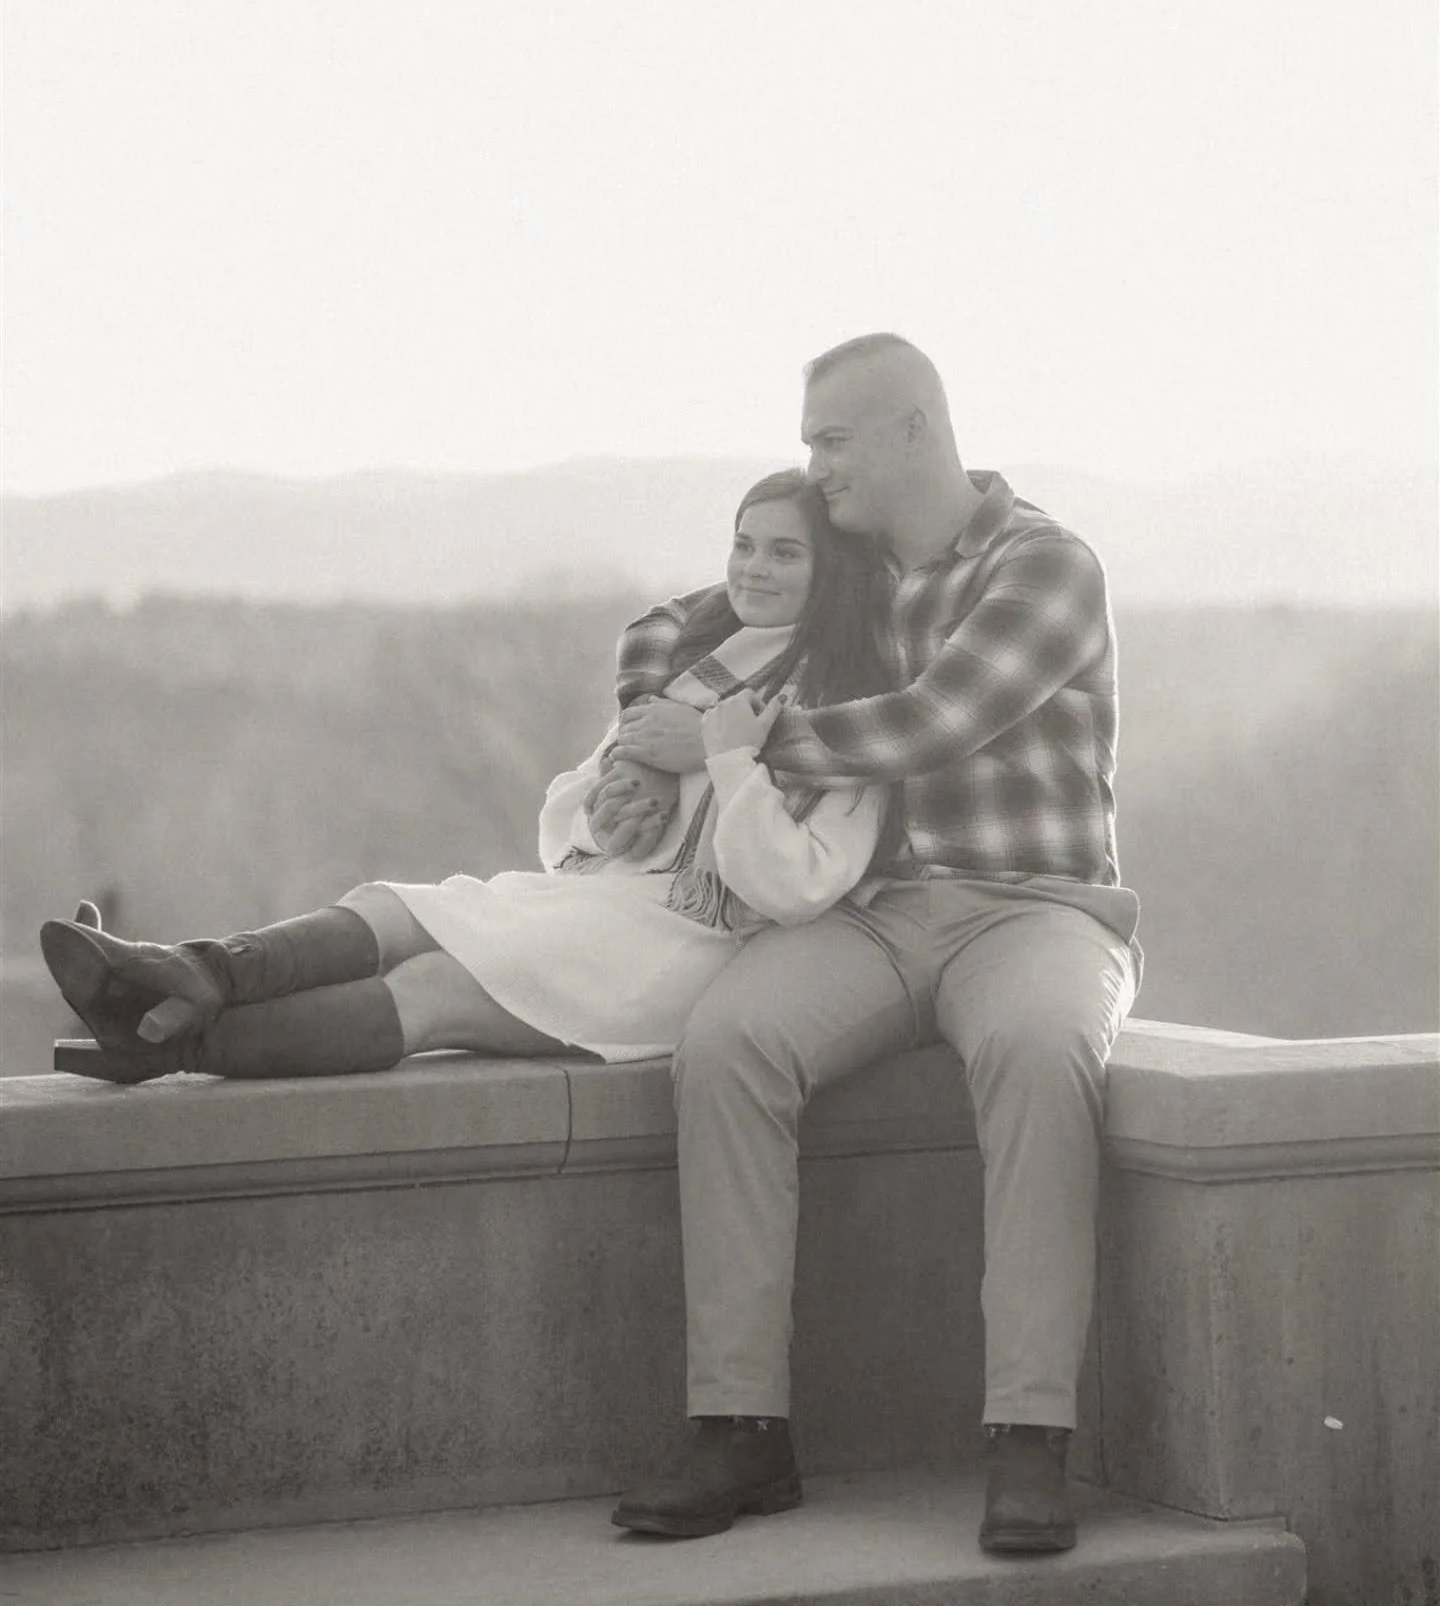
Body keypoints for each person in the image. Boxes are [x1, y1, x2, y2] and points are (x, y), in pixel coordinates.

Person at [595, 335, 1141, 1557]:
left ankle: (1030, 1439)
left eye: (831, 440)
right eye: (808, 444)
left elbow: (935, 721)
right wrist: (668, 716)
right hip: (877, 911)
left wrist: (739, 745)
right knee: (729, 1041)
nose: (813, 465)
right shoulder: (840, 562)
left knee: (1045, 1052)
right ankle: (741, 1427)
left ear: (914, 431)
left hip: (1034, 909)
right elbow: (663, 627)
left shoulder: (1046, 564)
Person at [41, 470, 892, 1087]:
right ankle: (193, 973)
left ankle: (166, 1043)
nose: (752, 567)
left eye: (785, 553)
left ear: (835, 578)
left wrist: (726, 759)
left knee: (437, 990)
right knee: (398, 905)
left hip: (684, 950)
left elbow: (797, 887)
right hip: (599, 900)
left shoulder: (852, 712)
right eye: (744, 544)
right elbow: (572, 816)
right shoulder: (700, 665)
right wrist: (612, 805)